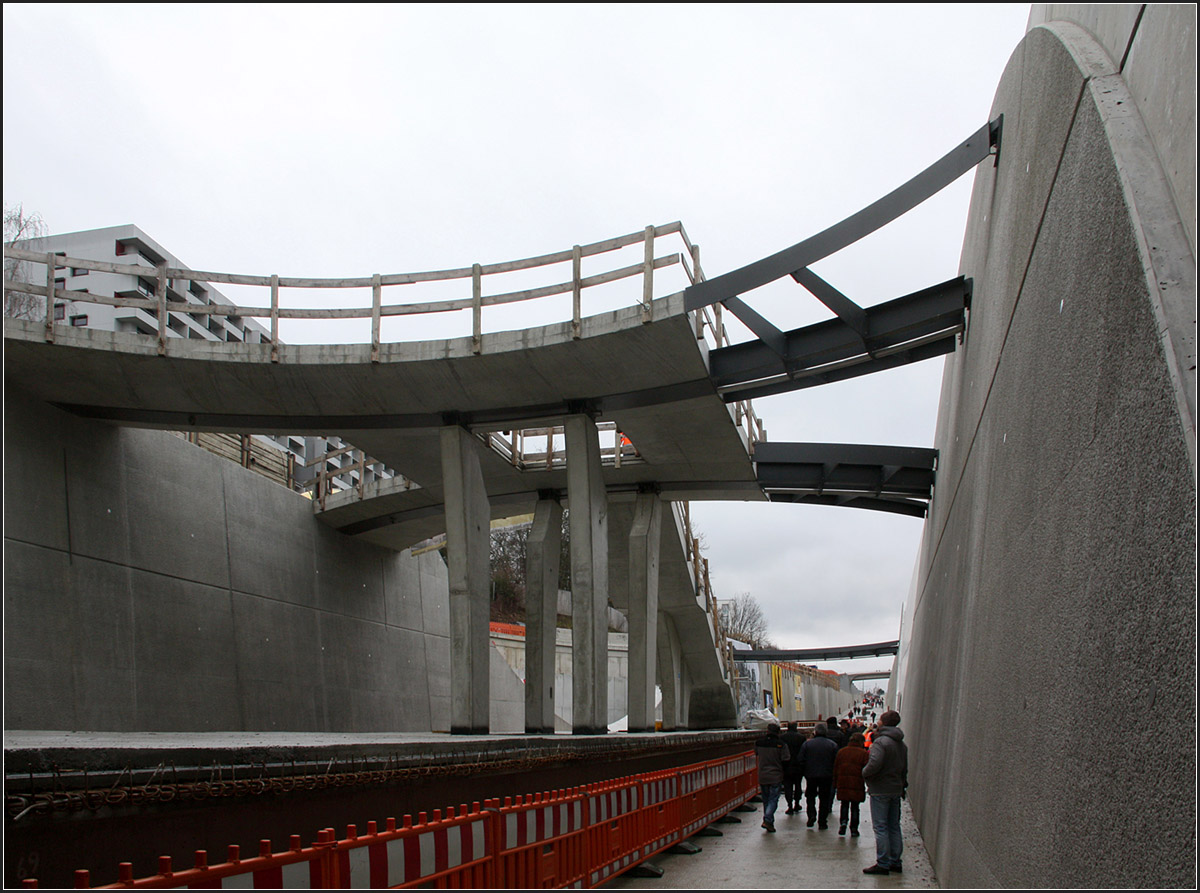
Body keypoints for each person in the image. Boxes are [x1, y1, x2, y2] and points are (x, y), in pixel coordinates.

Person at [861, 710, 908, 875]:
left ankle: (883, 863)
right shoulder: (901, 744)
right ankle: (895, 861)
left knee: (880, 827)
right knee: (894, 826)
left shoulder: (881, 742)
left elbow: (874, 764)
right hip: (895, 788)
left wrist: (864, 772)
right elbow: (904, 769)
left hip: (880, 789)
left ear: (884, 722)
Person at [797, 721, 838, 829]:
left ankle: (811, 815)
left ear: (815, 732)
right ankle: (822, 821)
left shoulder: (807, 744)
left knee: (810, 796)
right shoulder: (832, 745)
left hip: (811, 775)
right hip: (826, 775)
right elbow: (836, 761)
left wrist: (805, 772)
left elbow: (801, 759)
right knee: (824, 798)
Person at [755, 722, 790, 832]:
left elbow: (756, 753)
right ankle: (768, 818)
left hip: (762, 775)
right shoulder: (781, 744)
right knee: (773, 799)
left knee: (766, 800)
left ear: (767, 731)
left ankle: (769, 822)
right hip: (776, 775)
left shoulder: (759, 743)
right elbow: (786, 759)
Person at [834, 731, 869, 836]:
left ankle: (843, 823)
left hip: (843, 782)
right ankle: (854, 829)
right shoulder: (863, 753)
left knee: (844, 804)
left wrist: (835, 782)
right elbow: (867, 769)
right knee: (855, 807)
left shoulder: (841, 752)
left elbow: (836, 768)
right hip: (856, 783)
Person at [780, 721, 807, 815]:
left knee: (788, 786)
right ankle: (797, 803)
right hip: (798, 766)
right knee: (798, 785)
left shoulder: (782, 737)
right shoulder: (801, 737)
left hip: (786, 766)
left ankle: (789, 805)